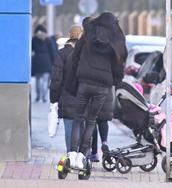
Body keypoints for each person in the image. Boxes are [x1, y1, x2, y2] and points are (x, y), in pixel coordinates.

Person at [66, 12, 127, 169]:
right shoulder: (116, 39)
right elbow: (119, 65)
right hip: (102, 86)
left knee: (78, 118)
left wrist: (74, 76)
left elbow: (75, 56)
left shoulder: (88, 34)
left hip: (84, 82)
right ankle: (82, 156)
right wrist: (116, 82)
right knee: (92, 121)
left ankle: (72, 155)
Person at [49, 25, 83, 152]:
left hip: (67, 97)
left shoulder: (62, 53)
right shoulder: (86, 54)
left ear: (70, 36)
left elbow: (56, 79)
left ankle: (71, 155)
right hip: (84, 97)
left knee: (69, 127)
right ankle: (83, 156)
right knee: (83, 127)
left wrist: (53, 99)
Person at [32, 24, 54, 102]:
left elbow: (31, 50)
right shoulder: (48, 40)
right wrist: (53, 62)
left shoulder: (34, 39)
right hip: (46, 60)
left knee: (38, 80)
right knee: (45, 80)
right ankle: (44, 97)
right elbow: (52, 52)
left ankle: (38, 96)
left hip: (37, 60)